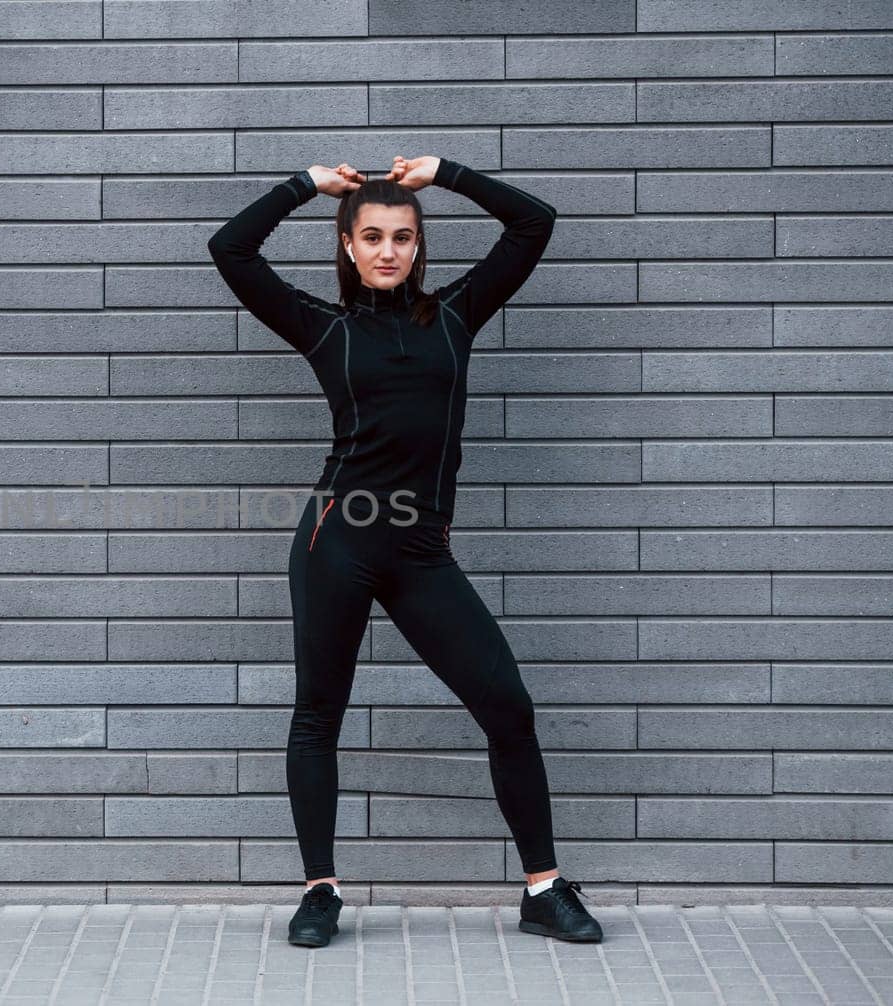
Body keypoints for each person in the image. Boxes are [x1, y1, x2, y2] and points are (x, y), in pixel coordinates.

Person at [207, 155, 603, 948]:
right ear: (348, 247)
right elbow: (232, 250)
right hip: (339, 538)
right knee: (320, 714)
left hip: (421, 550)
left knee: (507, 708)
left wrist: (446, 175)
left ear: (420, 248)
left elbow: (534, 224)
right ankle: (320, 891)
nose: (389, 251)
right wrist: (305, 186)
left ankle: (543, 888)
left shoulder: (457, 313)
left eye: (403, 238)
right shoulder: (323, 325)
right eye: (373, 237)